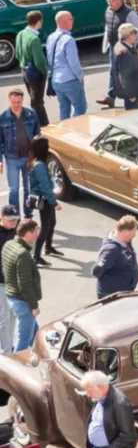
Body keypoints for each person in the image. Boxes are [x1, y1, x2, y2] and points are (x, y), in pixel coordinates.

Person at [97, 0, 138, 110]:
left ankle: (133, 99)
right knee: (113, 70)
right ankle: (111, 96)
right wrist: (105, 43)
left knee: (126, 73)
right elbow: (108, 27)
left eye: (111, 1)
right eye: (108, 1)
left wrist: (132, 45)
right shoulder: (108, 10)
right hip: (114, 47)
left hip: (125, 48)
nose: (109, 4)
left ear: (119, 0)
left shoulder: (129, 13)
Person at [2, 220, 42, 352]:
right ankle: (18, 366)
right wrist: (34, 306)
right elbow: (25, 284)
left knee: (36, 333)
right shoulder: (23, 254)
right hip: (23, 301)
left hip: (12, 296)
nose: (38, 234)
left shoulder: (9, 244)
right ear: (28, 234)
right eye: (36, 231)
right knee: (24, 342)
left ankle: (35, 356)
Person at [0, 89, 40, 219]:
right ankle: (15, 217)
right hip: (12, 158)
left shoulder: (31, 114)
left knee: (29, 188)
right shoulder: (2, 117)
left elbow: (37, 134)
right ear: (9, 101)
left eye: (19, 102)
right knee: (14, 190)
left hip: (29, 158)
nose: (16, 105)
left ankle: (28, 215)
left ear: (23, 100)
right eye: (13, 102)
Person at [45, 12, 87, 121]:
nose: (73, 21)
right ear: (64, 22)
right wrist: (80, 76)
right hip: (69, 80)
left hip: (56, 81)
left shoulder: (50, 37)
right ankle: (74, 130)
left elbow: (50, 59)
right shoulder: (69, 40)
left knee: (64, 108)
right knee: (80, 108)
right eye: (71, 19)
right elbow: (73, 62)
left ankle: (64, 132)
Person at [26, 137, 61, 266]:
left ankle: (49, 247)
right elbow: (45, 187)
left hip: (46, 200)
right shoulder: (40, 166)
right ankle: (36, 256)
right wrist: (55, 203)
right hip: (45, 201)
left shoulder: (37, 162)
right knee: (45, 227)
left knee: (52, 223)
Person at [93, 216, 138, 299]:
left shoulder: (124, 241)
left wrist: (137, 276)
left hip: (123, 292)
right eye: (133, 232)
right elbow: (96, 271)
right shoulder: (111, 250)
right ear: (126, 232)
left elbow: (129, 262)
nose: (135, 235)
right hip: (112, 295)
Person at [15, 12, 49, 127]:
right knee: (37, 103)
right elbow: (39, 61)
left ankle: (43, 123)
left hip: (24, 71)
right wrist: (45, 71)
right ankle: (41, 126)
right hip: (35, 74)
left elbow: (18, 53)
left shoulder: (21, 34)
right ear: (38, 22)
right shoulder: (34, 39)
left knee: (35, 100)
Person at [111, 23, 138, 111]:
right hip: (132, 91)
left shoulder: (124, 45)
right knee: (132, 113)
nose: (135, 36)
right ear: (128, 36)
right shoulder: (124, 52)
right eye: (134, 34)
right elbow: (124, 76)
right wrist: (131, 95)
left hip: (134, 88)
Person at [0, 206, 18, 351]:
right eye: (11, 220)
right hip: (1, 282)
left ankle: (9, 345)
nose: (14, 222)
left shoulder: (15, 231)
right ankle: (6, 352)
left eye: (16, 219)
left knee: (13, 315)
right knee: (4, 318)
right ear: (2, 217)